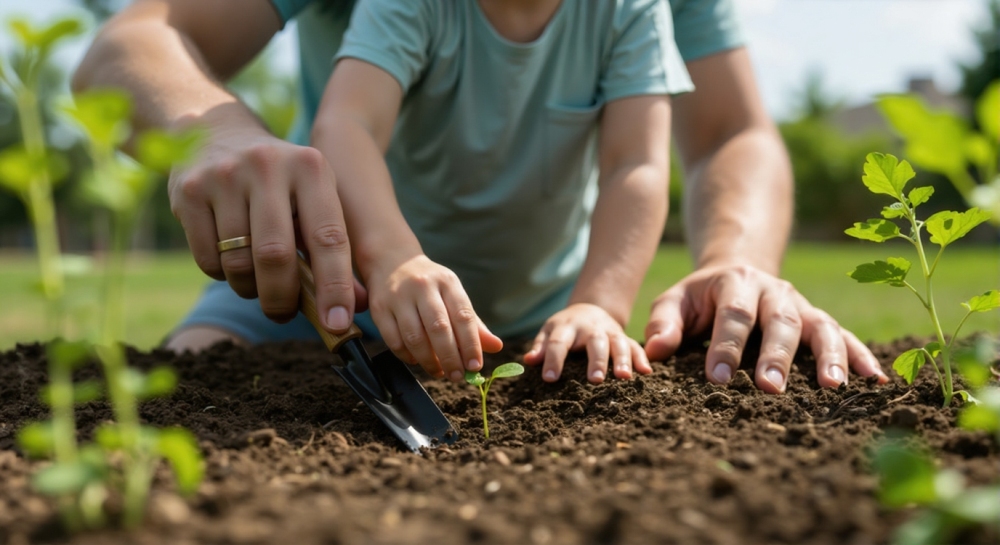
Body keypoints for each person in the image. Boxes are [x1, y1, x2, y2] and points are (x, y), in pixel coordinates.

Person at [74, 0, 889, 393]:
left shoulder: (631, 10)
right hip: (329, 290)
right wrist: (391, 260)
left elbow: (649, 163)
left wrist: (603, 303)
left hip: (535, 319)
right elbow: (343, 124)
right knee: (185, 392)